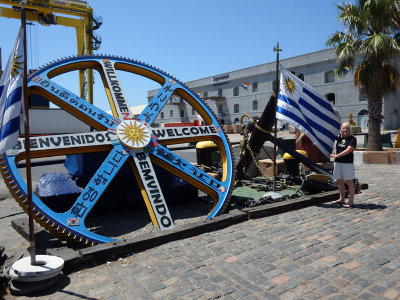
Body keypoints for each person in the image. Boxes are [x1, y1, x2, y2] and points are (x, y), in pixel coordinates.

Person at [330, 122, 357, 208]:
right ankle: (341, 199)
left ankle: (351, 201)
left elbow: (349, 150)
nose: (345, 130)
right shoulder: (339, 138)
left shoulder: (352, 139)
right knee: (339, 181)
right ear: (341, 129)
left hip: (347, 163)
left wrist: (337, 155)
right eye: (343, 128)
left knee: (349, 181)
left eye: (347, 128)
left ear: (350, 130)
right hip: (338, 163)